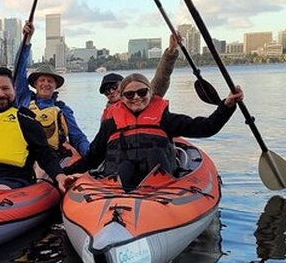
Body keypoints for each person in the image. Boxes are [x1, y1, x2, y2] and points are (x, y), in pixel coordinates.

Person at [63, 72, 244, 191]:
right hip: (117, 187)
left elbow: (206, 127)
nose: (136, 98)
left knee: (155, 153)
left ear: (150, 93)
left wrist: (227, 105)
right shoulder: (110, 125)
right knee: (123, 167)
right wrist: (62, 173)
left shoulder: (166, 120)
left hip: (161, 186)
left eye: (142, 92)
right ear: (122, 97)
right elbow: (92, 158)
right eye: (129, 94)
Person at [15, 21, 90, 157]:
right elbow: (19, 70)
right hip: (24, 155)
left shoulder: (63, 109)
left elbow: (77, 137)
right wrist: (26, 40)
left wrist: (91, 155)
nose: (46, 84)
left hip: (52, 157)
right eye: (42, 80)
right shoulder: (24, 99)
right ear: (35, 84)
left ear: (55, 86)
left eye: (50, 81)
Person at [100, 33, 181, 120]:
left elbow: (161, 78)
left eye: (114, 86)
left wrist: (170, 52)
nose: (111, 91)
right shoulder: (107, 116)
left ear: (124, 86)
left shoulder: (144, 97)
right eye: (107, 91)